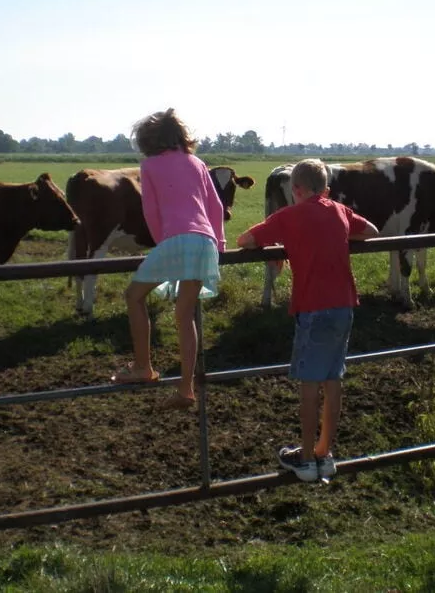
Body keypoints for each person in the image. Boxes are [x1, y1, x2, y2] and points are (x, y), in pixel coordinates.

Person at [237, 159, 379, 482]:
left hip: (313, 309)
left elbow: (245, 240)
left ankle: (303, 458)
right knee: (333, 380)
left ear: (294, 190)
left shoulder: (288, 215)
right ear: (327, 190)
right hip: (344, 306)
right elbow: (371, 231)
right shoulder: (340, 211)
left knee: (309, 386)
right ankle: (324, 453)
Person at [111, 108, 226, 411]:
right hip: (205, 242)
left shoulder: (149, 166)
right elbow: (214, 206)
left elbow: (151, 211)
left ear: (149, 140)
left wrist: (164, 247)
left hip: (176, 240)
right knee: (184, 316)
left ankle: (143, 367)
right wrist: (221, 243)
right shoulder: (198, 163)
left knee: (134, 297)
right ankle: (186, 389)